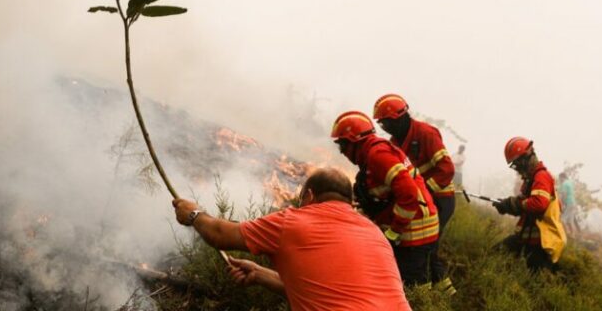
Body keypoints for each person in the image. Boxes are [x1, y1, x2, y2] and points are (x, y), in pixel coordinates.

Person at [171, 168, 411, 311]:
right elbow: (329, 292)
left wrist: (193, 214)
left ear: (308, 195)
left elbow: (220, 234)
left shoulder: (294, 221)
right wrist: (261, 274)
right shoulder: (373, 232)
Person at [331, 110, 440, 286]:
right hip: (420, 225)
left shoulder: (378, 156)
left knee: (409, 287)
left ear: (354, 141)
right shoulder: (375, 152)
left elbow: (409, 195)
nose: (342, 152)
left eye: (342, 145)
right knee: (433, 278)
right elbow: (390, 194)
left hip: (413, 232)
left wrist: (393, 232)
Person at [372, 94, 456, 294]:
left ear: (399, 118)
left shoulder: (426, 133)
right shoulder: (395, 142)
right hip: (423, 201)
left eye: (387, 124)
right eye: (382, 125)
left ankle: (426, 296)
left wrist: (424, 191)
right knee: (428, 250)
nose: (386, 129)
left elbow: (447, 168)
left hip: (441, 199)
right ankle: (445, 294)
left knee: (427, 248)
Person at [494, 136, 567, 272]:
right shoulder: (530, 180)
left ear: (525, 159)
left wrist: (512, 203)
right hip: (527, 240)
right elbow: (524, 206)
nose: (516, 169)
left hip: (541, 244)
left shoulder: (541, 177)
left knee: (539, 283)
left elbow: (538, 204)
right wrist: (505, 206)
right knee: (495, 255)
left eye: (516, 164)